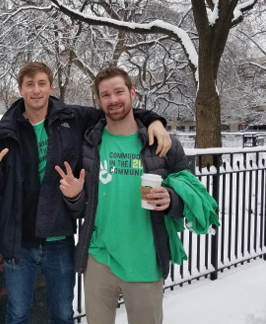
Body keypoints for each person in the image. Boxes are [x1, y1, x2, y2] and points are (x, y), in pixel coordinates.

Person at [0, 62, 171, 324]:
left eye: (42, 83)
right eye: (30, 84)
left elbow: (115, 110)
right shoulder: (5, 130)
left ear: (51, 87)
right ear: (20, 89)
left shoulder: (72, 118)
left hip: (59, 238)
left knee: (63, 314)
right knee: (18, 313)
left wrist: (154, 120)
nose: (36, 90)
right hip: (19, 240)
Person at [55, 66, 189, 324]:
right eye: (105, 95)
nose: (113, 100)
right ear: (98, 100)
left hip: (144, 262)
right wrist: (74, 197)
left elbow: (193, 194)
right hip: (99, 260)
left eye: (119, 92)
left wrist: (172, 199)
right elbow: (83, 209)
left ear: (132, 93)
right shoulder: (90, 144)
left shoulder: (160, 142)